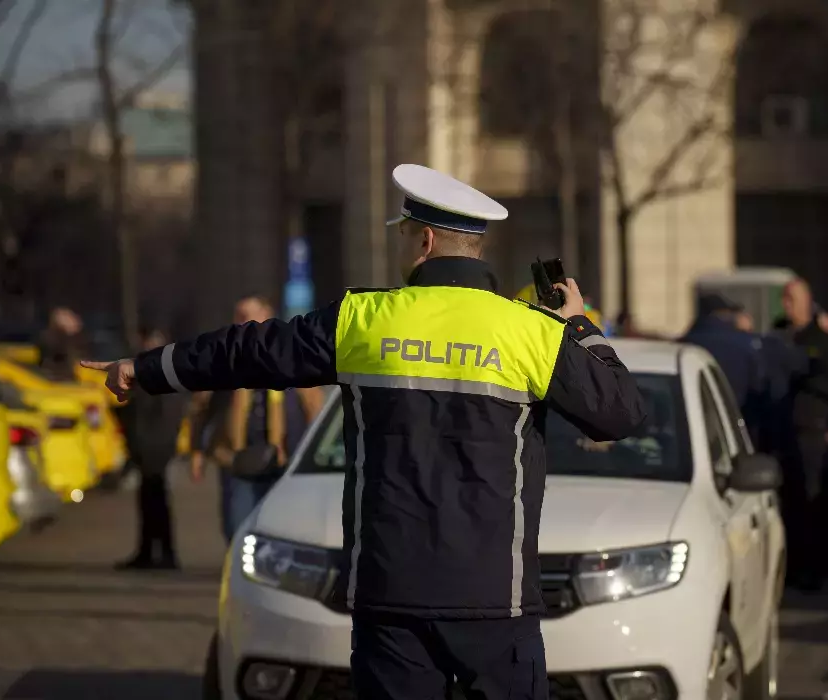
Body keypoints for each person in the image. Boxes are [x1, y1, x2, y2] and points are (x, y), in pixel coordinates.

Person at [84, 163, 648, 700]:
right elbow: (621, 412)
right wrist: (578, 325)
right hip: (495, 598)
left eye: (403, 235)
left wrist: (147, 368)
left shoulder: (362, 319)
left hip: (390, 592)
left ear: (425, 241)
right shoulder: (532, 332)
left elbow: (251, 351)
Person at [186, 296, 326, 543]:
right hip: (236, 460)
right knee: (237, 529)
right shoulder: (221, 358)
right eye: (238, 316)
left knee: (281, 531)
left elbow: (315, 406)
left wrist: (314, 453)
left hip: (283, 460)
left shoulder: (292, 355)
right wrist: (196, 450)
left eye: (249, 315)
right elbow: (201, 407)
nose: (242, 322)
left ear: (267, 317)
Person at [780, 279, 828, 591]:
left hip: (813, 432)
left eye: (792, 299)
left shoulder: (824, 342)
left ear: (807, 302)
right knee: (791, 502)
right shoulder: (783, 338)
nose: (787, 305)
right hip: (786, 432)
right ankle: (795, 565)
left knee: (814, 501)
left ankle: (817, 568)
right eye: (784, 299)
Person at [116, 327, 188, 570]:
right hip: (145, 449)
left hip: (155, 449)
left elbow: (167, 418)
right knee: (148, 501)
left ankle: (165, 554)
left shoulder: (166, 375)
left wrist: (153, 446)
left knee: (157, 502)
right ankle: (147, 551)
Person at [681, 293, 765, 444]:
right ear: (723, 314)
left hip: (692, 431)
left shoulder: (684, 345)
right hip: (740, 428)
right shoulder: (746, 344)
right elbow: (758, 389)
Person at [38, 307, 85, 381]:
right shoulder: (49, 338)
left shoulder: (74, 339)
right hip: (53, 379)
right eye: (66, 318)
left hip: (69, 378)